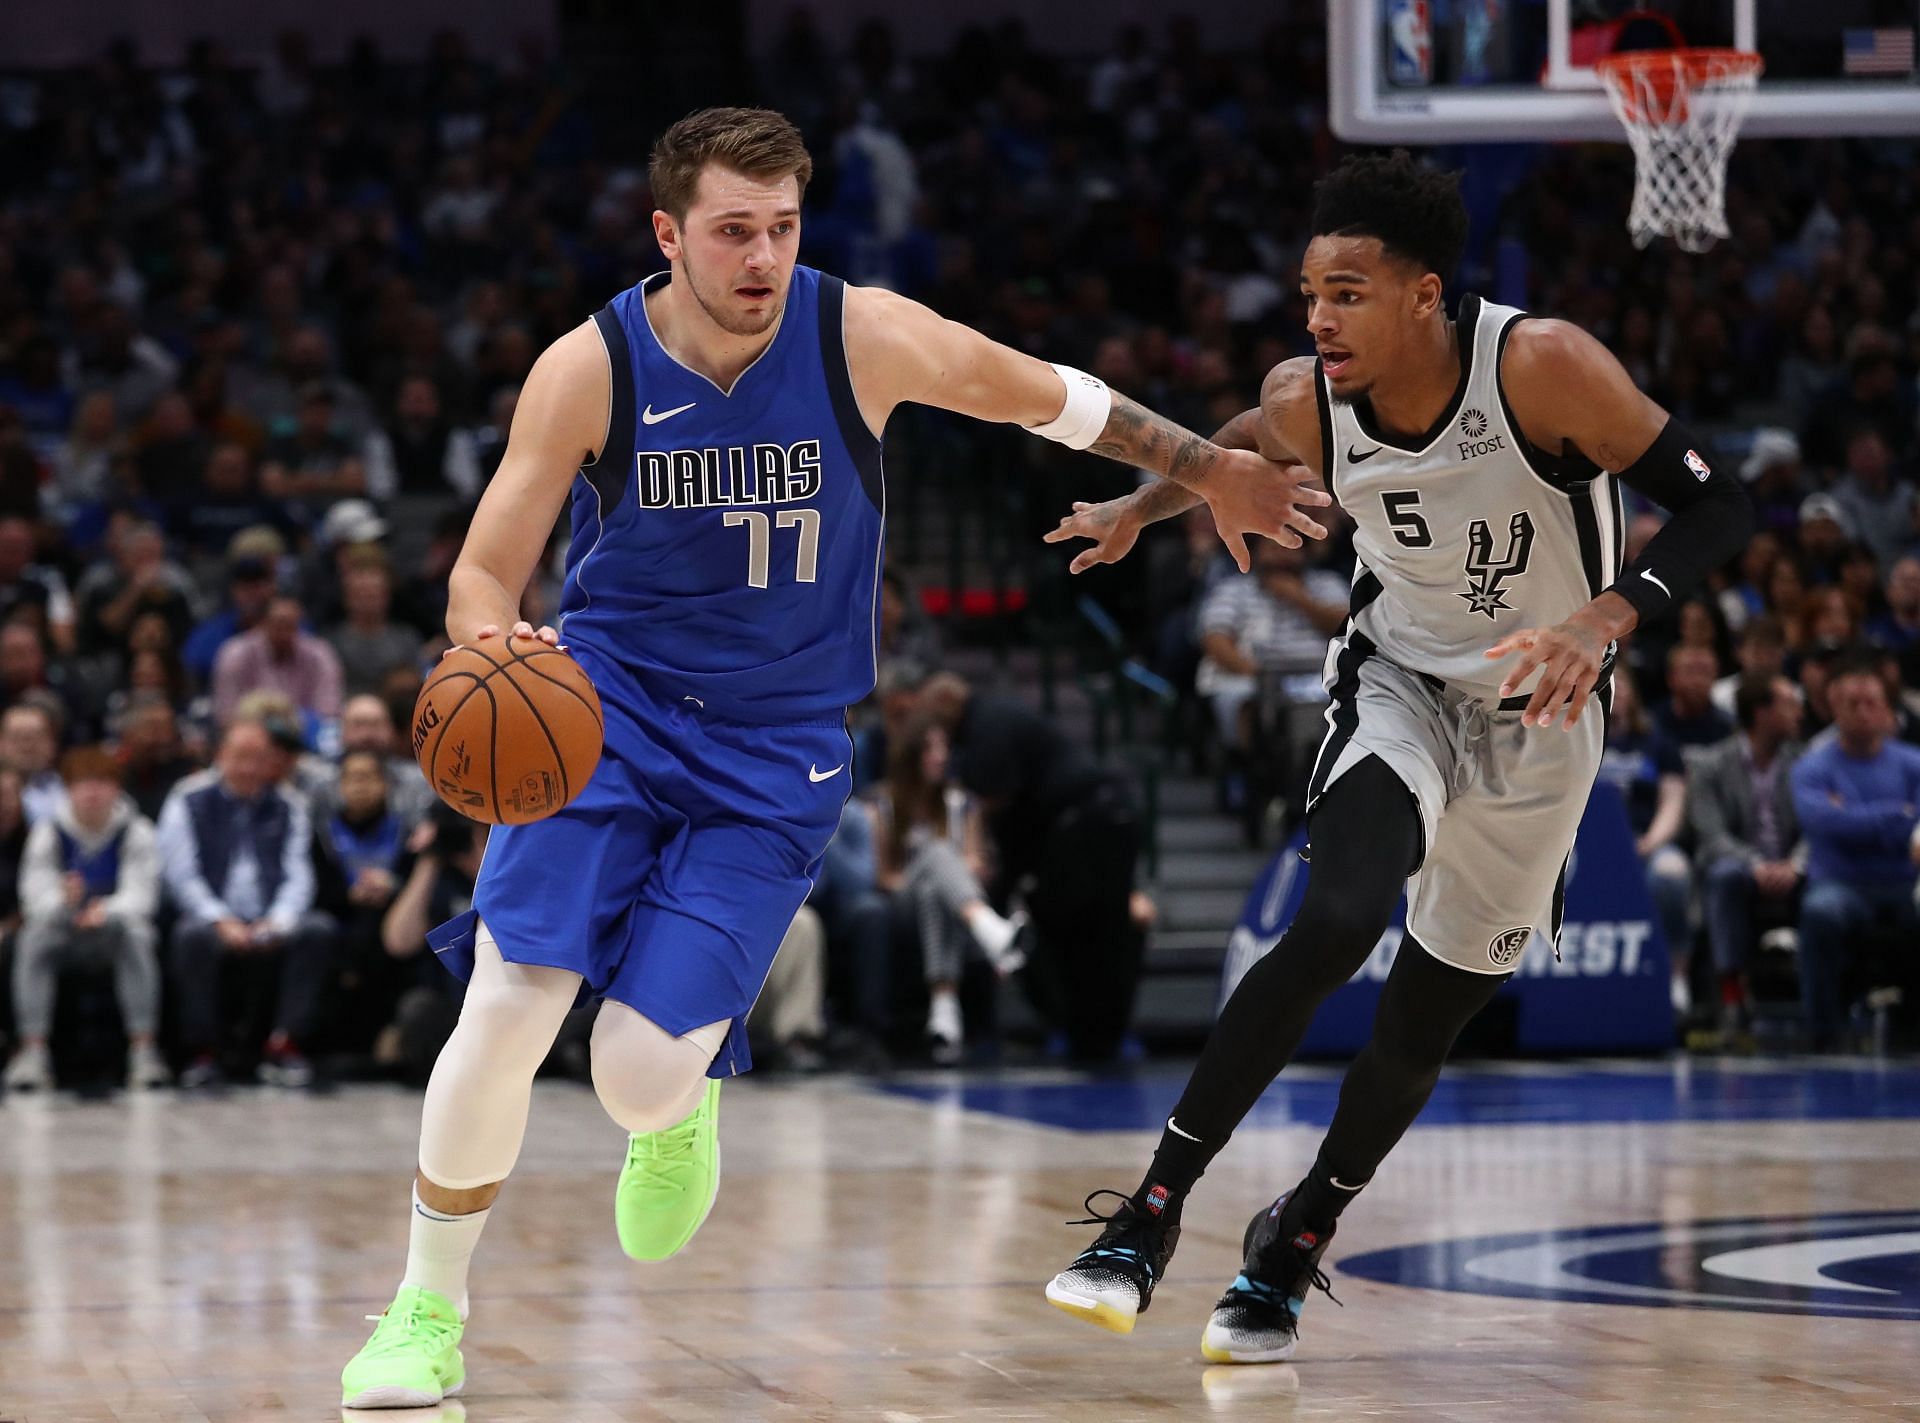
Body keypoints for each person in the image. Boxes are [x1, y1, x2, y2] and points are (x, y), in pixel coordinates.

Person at [339, 106, 1323, 1408]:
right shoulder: (590, 367)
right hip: (609, 710)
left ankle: (681, 1097)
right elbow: (481, 566)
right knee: (512, 999)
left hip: (776, 747)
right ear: (668, 234)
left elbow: (1051, 395)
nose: (759, 257)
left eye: (781, 228)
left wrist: (1209, 472)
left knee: (634, 1075)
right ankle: (425, 1305)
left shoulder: (858, 334)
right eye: (731, 231)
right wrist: (492, 649)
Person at [1041, 151, 1753, 1362]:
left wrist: (1607, 611)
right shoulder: (1308, 396)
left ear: (1426, 293)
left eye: (1350, 292)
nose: (1319, 316)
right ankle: (1148, 1217)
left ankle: (1299, 1234)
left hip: (1542, 713)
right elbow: (1235, 443)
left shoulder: (1544, 367)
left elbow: (1720, 500)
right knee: (1333, 919)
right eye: (1312, 290)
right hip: (1401, 683)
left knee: (1421, 1027)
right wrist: (1138, 504)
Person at [157, 719, 336, 1089]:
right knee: (190, 935)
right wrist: (219, 919)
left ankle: (285, 1044)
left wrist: (279, 921)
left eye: (258, 759)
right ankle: (202, 1053)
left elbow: (298, 874)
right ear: (220, 756)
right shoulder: (187, 798)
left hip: (269, 918)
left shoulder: (289, 804)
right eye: (239, 757)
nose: (248, 768)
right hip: (212, 918)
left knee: (317, 929)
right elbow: (181, 875)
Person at [3, 747, 164, 1093]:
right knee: (33, 938)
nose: (92, 793)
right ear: (68, 789)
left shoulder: (136, 831)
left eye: (102, 784)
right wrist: (64, 900)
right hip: (65, 934)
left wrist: (106, 910)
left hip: (112, 933)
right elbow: (33, 898)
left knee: (138, 935)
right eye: (82, 784)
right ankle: (33, 1050)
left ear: (117, 788)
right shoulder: (48, 833)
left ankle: (143, 1048)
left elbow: (142, 895)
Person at [871, 712, 1025, 1065]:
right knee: (937, 854)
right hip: (899, 903)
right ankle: (988, 927)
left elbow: (977, 862)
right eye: (930, 749)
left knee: (935, 894)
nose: (940, 757)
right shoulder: (883, 803)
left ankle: (944, 1010)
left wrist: (946, 876)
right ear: (911, 755)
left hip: (946, 903)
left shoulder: (962, 803)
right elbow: (883, 876)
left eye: (943, 749)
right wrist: (932, 869)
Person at [1789, 658, 1920, 1050]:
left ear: (1886, 708)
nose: (1863, 711)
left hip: (1903, 882)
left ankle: (1911, 1026)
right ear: (1833, 710)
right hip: (1840, 882)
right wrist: (1899, 814)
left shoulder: (1912, 762)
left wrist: (1850, 812)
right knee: (1821, 912)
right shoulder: (1812, 766)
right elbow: (1823, 823)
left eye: (1871, 702)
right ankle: (1824, 1031)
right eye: (1852, 704)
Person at [1691, 673, 1804, 1040]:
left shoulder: (1806, 762)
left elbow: (1818, 829)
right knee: (1723, 875)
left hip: (1797, 869)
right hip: (1742, 868)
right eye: (1788, 704)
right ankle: (1732, 997)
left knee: (1830, 893)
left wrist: (1795, 864)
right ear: (1761, 713)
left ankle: (1824, 1009)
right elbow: (1711, 833)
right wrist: (1754, 863)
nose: (1798, 712)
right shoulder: (1710, 764)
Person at [210, 592, 345, 728]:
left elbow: (329, 714)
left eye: (291, 625)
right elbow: (226, 715)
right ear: (262, 623)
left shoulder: (319, 655)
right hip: (250, 734)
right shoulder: (235, 654)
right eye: (279, 624)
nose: (285, 633)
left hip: (306, 737)